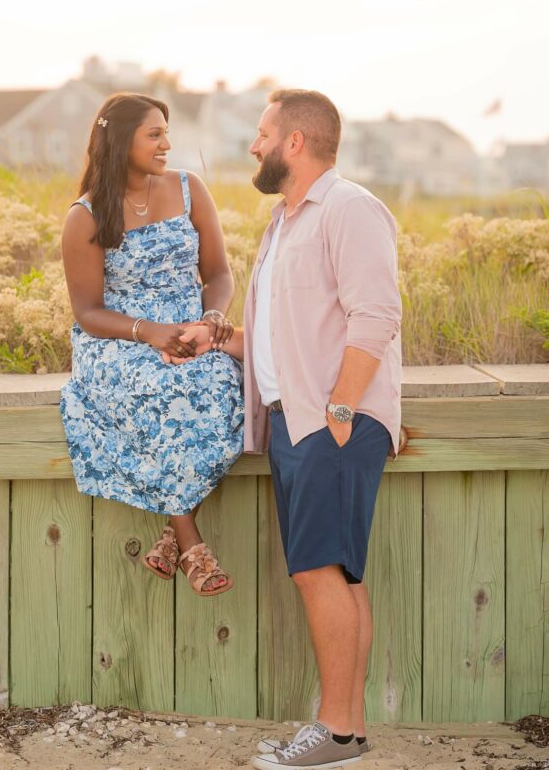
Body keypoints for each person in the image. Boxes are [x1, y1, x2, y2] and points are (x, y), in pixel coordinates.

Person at [175, 88, 402, 767]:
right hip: (294, 423)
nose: (252, 144)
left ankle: (332, 732)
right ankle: (349, 732)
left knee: (315, 573)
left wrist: (337, 411)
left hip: (328, 425)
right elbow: (285, 334)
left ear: (294, 143)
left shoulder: (348, 209)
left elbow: (375, 316)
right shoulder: (284, 222)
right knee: (336, 575)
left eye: (262, 132)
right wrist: (220, 342)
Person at [60, 92, 244, 596]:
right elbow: (88, 312)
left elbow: (219, 273)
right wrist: (149, 331)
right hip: (119, 340)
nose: (168, 143)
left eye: (167, 132)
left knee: (226, 386)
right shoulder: (86, 216)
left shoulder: (189, 189)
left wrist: (209, 319)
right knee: (164, 390)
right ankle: (190, 541)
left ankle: (169, 535)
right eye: (155, 134)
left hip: (189, 332)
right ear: (121, 140)